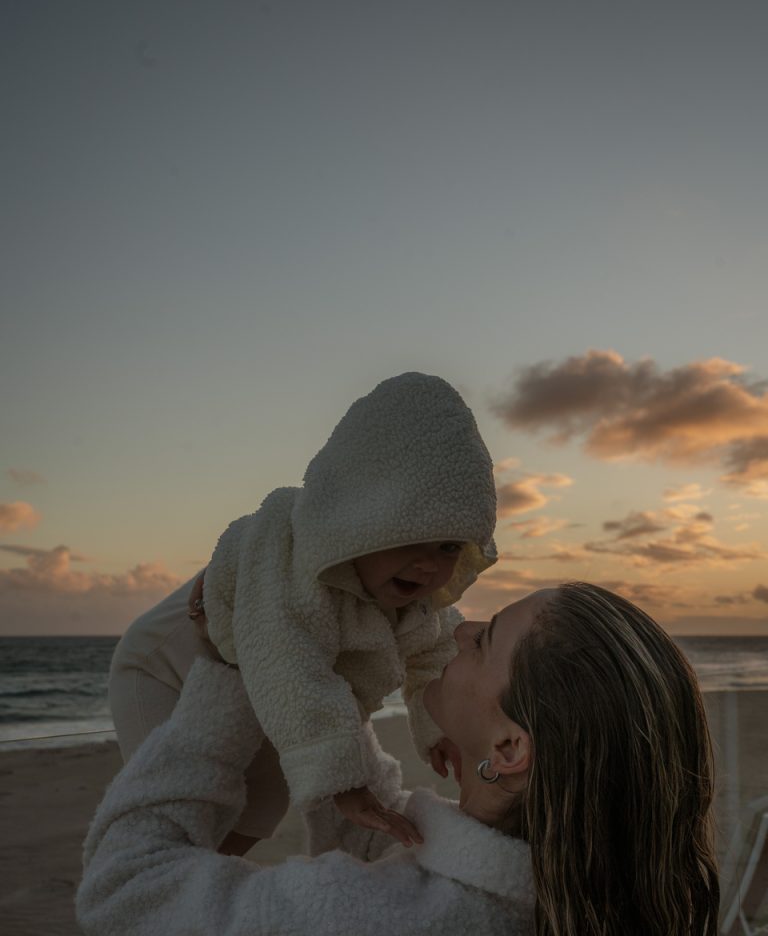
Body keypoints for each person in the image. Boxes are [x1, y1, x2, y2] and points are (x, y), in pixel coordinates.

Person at [78, 582, 719, 936]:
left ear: (510, 747)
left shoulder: (377, 916)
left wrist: (228, 682)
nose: (460, 630)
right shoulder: (572, 897)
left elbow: (125, 890)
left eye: (486, 636)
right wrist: (311, 690)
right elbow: (389, 850)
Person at [108, 371, 497, 855]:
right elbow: (286, 657)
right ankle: (163, 881)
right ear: (358, 517)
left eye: (447, 546)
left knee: (264, 801)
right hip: (167, 670)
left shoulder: (418, 606)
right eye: (410, 538)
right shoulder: (286, 554)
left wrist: (441, 729)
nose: (429, 564)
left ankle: (202, 881)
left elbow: (436, 657)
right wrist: (343, 782)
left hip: (255, 690)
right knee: (177, 803)